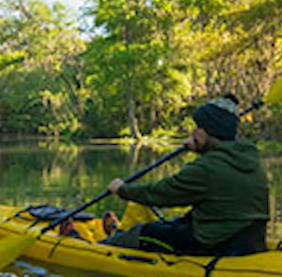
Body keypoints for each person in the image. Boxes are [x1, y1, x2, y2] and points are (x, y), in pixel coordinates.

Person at [104, 95, 269, 256]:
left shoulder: (206, 168)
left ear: (210, 131)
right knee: (177, 222)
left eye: (198, 127)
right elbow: (215, 172)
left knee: (141, 232)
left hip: (213, 244)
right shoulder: (250, 159)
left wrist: (122, 190)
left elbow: (161, 194)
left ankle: (97, 249)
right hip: (246, 240)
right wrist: (199, 146)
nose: (193, 132)